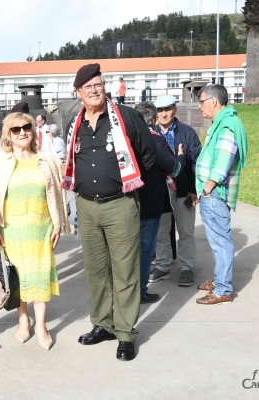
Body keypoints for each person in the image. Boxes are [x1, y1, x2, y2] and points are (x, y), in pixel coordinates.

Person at [62, 64, 156, 361]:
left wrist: (128, 183)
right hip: (87, 206)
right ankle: (103, 324)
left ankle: (125, 332)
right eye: (87, 87)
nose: (94, 90)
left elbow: (148, 155)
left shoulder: (126, 116)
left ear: (105, 87)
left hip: (120, 204)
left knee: (125, 271)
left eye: (98, 84)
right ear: (78, 93)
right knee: (96, 271)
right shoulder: (74, 123)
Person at [0, 112, 69, 351]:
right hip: (12, 231)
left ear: (33, 130)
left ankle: (41, 326)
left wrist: (58, 224)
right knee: (18, 278)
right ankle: (23, 319)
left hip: (41, 229)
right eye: (16, 129)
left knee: (40, 276)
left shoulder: (46, 159)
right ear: (8, 134)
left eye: (27, 127)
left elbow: (57, 194)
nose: (22, 132)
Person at [195, 84, 248, 305]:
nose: (200, 106)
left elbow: (223, 160)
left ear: (214, 101)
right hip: (213, 194)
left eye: (201, 102)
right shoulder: (223, 122)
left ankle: (223, 290)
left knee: (221, 243)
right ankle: (219, 281)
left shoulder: (226, 125)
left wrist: (207, 187)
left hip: (215, 194)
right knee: (218, 242)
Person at [134, 102, 185, 304]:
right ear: (154, 120)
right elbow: (174, 169)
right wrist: (180, 157)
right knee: (145, 248)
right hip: (150, 203)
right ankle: (140, 291)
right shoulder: (154, 139)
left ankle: (125, 292)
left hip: (126, 203)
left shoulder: (125, 139)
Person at [149, 95, 202, 287]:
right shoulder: (151, 133)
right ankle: (163, 265)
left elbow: (196, 162)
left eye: (168, 109)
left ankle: (187, 268)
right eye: (160, 110)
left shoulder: (187, 132)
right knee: (161, 231)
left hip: (183, 190)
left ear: (175, 110)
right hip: (160, 192)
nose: (164, 114)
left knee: (186, 231)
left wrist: (194, 188)